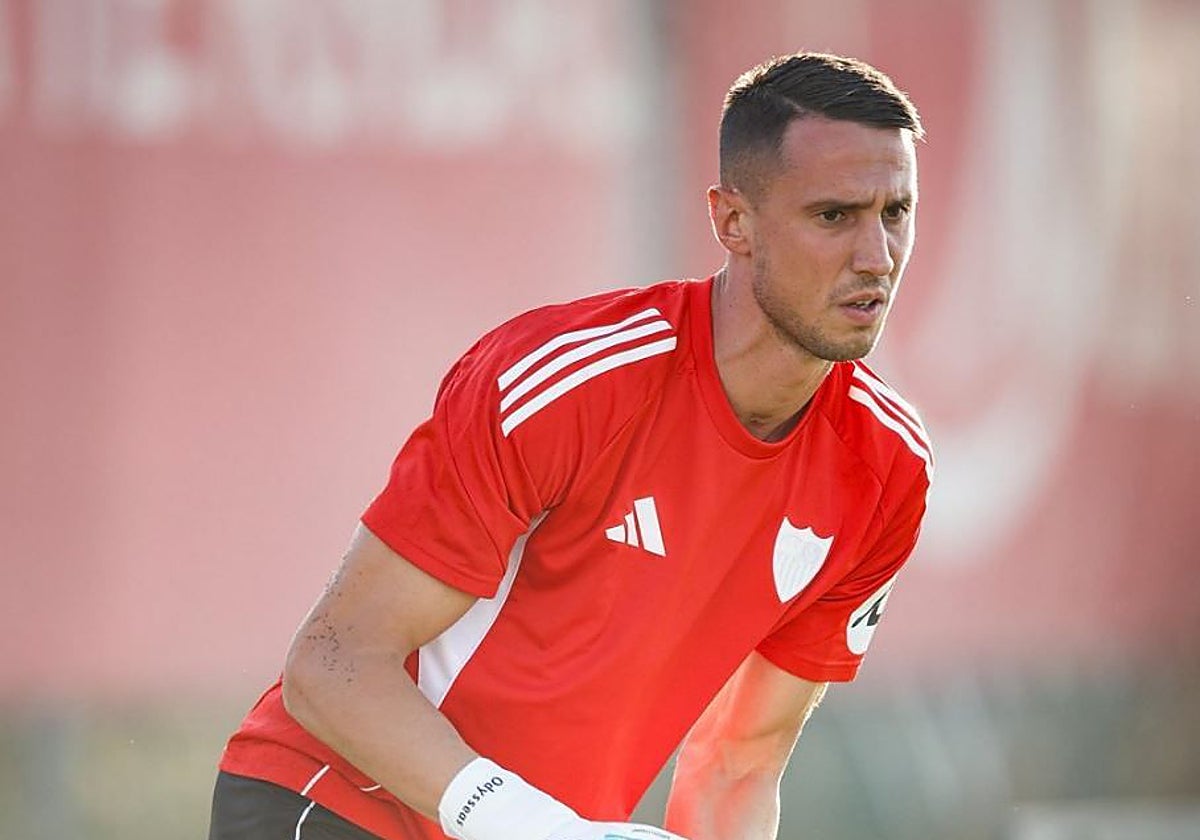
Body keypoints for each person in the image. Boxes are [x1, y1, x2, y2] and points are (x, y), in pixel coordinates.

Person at [208, 50, 932, 840]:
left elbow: (738, 765)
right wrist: (534, 827)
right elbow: (333, 663)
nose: (877, 257)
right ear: (733, 222)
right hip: (336, 806)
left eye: (895, 212)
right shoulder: (572, 382)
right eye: (834, 216)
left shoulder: (887, 470)